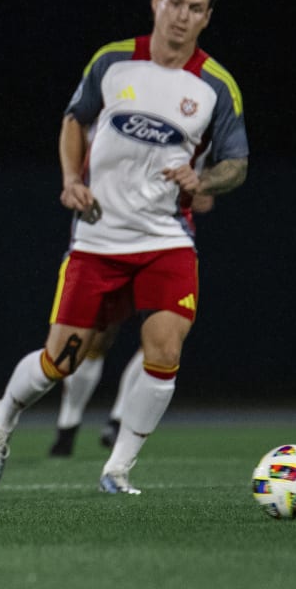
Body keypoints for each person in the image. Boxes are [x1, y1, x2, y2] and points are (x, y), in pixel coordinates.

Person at [0, 0, 248, 494]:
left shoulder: (217, 85)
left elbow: (237, 164)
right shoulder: (113, 61)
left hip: (166, 238)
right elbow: (74, 119)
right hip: (99, 238)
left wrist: (203, 179)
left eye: (195, 9)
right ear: (156, 2)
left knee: (165, 348)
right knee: (60, 361)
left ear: (207, 17)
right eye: (175, 3)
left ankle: (117, 468)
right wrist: (71, 179)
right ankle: (1, 418)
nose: (182, 16)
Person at [48, 192, 214, 458]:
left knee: (164, 339)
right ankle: (67, 426)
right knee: (95, 338)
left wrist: (207, 183)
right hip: (112, 240)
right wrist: (72, 181)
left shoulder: (196, 149)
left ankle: (116, 422)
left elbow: (229, 165)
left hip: (165, 243)